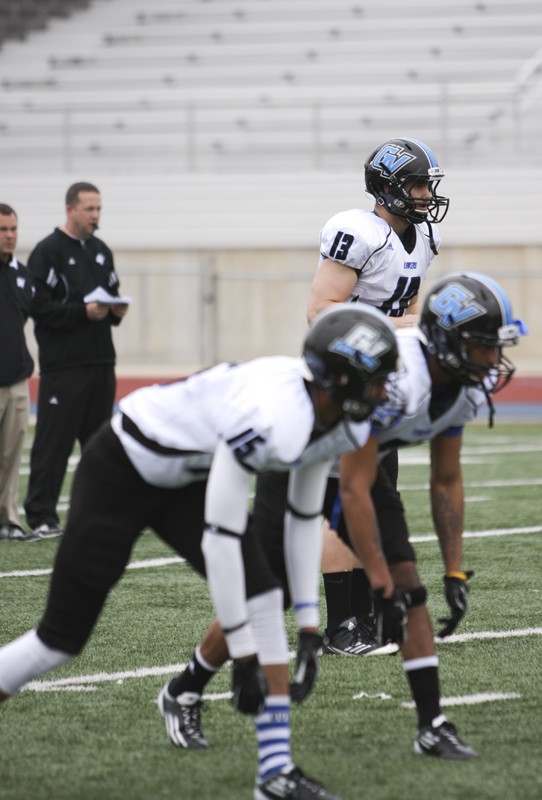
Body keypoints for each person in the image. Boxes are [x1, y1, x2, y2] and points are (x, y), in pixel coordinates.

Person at [0, 303, 405, 800]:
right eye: (376, 380)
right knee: (60, 640)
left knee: (263, 597)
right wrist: (241, 654)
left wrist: (306, 626)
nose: (385, 393)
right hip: (121, 469)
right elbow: (221, 536)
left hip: (186, 477)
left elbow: (302, 520)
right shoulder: (273, 419)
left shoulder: (334, 417)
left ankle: (275, 773)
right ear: (338, 381)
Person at [157, 272, 525, 763]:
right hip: (300, 455)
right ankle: (185, 687)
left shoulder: (460, 387)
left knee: (409, 585)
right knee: (271, 595)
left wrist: (453, 570)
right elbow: (351, 489)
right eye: (482, 346)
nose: (491, 360)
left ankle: (431, 724)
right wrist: (378, 586)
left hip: (358, 461)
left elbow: (446, 480)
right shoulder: (397, 379)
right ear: (448, 342)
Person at [309, 135, 450, 656]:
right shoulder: (358, 231)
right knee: (348, 503)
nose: (423, 195)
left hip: (382, 380)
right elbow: (321, 310)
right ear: (387, 188)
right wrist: (403, 326)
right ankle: (343, 626)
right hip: (343, 378)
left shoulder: (422, 236)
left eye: (425, 185)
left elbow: (407, 304)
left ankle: (372, 615)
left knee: (377, 498)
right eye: (415, 185)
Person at [23, 181, 129, 538]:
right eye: (89, 209)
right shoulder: (48, 251)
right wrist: (82, 313)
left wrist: (116, 310)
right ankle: (41, 516)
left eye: (99, 209)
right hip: (64, 366)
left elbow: (111, 295)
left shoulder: (101, 251)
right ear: (70, 209)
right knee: (54, 444)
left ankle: (99, 513)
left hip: (101, 361)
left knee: (100, 445)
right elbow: (38, 306)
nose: (96, 216)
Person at [0, 204, 40, 542]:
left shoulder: (22, 273)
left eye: (13, 229)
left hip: (16, 380)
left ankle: (8, 520)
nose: (10, 236)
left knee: (11, 455)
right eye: (3, 230)